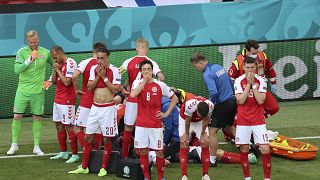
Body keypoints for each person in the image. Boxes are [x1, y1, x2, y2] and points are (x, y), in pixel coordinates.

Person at [68, 48, 121, 177]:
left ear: (107, 58)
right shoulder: (93, 69)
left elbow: (116, 89)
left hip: (108, 109)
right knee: (88, 136)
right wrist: (98, 75)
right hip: (95, 108)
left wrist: (104, 77)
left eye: (102, 58)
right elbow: (90, 87)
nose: (100, 61)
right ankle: (84, 167)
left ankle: (103, 168)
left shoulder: (114, 70)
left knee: (107, 139)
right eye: (98, 58)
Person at [130, 60, 178, 180]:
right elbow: (132, 95)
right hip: (141, 125)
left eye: (149, 69)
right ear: (141, 71)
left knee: (159, 152)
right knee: (143, 152)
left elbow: (175, 98)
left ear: (152, 71)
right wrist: (144, 82)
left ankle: (161, 177)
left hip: (155, 125)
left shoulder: (159, 85)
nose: (146, 72)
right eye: (144, 69)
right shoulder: (137, 83)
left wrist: (166, 113)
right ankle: (147, 177)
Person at [8, 30, 52, 155]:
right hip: (22, 91)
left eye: (35, 41)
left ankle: (36, 147)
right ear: (27, 41)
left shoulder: (46, 52)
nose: (34, 44)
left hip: (38, 92)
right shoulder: (21, 52)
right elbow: (17, 69)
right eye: (31, 42)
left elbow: (56, 66)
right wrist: (29, 59)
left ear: (38, 39)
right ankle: (14, 144)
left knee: (37, 118)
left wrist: (49, 81)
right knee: (17, 116)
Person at [119, 38, 164, 159]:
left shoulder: (128, 61)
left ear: (136, 48)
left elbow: (117, 74)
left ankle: (124, 158)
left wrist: (122, 89)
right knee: (147, 127)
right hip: (145, 101)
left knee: (128, 127)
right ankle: (149, 158)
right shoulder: (151, 62)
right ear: (148, 49)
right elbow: (161, 76)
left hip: (133, 98)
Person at [190, 52, 237, 167]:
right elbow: (231, 83)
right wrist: (233, 96)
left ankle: (212, 160)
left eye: (195, 67)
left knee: (212, 131)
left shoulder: (207, 74)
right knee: (229, 126)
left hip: (222, 104)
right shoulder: (218, 67)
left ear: (200, 63)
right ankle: (249, 146)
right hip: (232, 100)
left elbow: (213, 92)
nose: (196, 69)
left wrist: (211, 105)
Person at [234, 57, 271, 180]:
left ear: (256, 67)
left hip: (258, 121)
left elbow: (261, 101)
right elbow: (241, 100)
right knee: (244, 148)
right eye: (248, 67)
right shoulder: (238, 81)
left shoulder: (262, 81)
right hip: (243, 121)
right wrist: (248, 84)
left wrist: (254, 86)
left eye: (252, 67)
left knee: (265, 149)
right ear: (243, 67)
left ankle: (267, 178)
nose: (250, 70)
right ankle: (247, 178)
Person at [71, 42, 107, 154]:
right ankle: (96, 153)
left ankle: (88, 152)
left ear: (93, 51)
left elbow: (74, 76)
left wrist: (77, 90)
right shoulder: (107, 65)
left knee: (77, 128)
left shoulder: (85, 63)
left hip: (86, 100)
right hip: (100, 101)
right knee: (97, 130)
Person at [228, 39, 279, 117]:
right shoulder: (238, 62)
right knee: (239, 113)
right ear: (247, 51)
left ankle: (259, 117)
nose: (256, 55)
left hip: (260, 87)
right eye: (253, 53)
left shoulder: (262, 55)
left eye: (257, 52)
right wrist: (234, 94)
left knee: (274, 107)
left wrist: (273, 82)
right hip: (245, 90)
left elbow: (269, 68)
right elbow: (231, 80)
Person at [49, 46, 78, 163]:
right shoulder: (59, 64)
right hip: (58, 99)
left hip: (67, 100)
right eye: (53, 58)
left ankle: (75, 154)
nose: (55, 60)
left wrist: (58, 70)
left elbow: (67, 82)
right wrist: (56, 70)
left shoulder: (71, 63)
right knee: (58, 125)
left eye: (56, 57)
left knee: (69, 126)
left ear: (61, 53)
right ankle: (63, 152)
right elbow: (55, 82)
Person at [179, 96, 214, 180]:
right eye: (200, 115)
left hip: (199, 122)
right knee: (184, 143)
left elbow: (206, 120)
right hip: (185, 119)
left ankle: (205, 175)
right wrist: (187, 134)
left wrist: (202, 133)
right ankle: (184, 175)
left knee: (205, 142)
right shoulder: (190, 105)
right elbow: (188, 119)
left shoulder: (211, 106)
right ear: (197, 110)